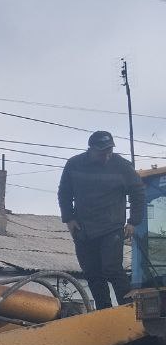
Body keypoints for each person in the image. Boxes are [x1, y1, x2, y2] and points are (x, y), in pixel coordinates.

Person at [58, 129, 146, 309]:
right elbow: (64, 193)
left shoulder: (122, 166)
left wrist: (133, 221)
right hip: (83, 229)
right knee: (92, 273)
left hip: (112, 227)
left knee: (112, 269)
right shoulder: (74, 165)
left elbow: (138, 192)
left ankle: (129, 311)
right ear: (91, 149)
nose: (106, 156)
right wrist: (69, 218)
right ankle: (104, 313)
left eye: (109, 151)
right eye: (102, 152)